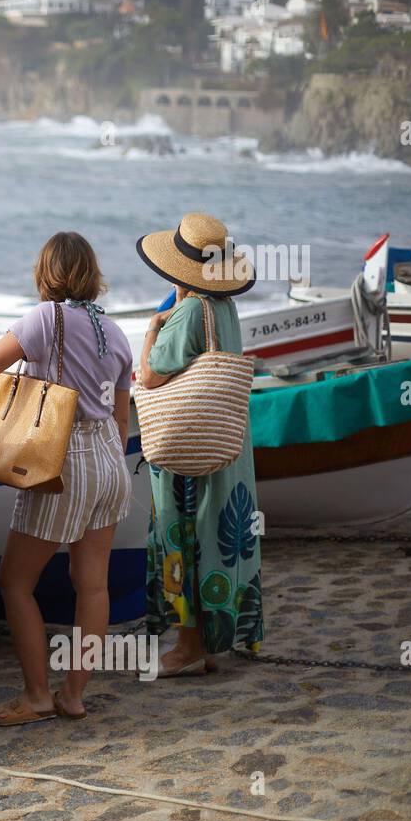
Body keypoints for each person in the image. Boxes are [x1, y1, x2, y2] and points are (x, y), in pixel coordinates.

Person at [0, 232, 133, 724]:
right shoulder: (117, 332)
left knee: (15, 581)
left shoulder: (47, 319)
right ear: (92, 274)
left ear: (45, 273)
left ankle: (37, 696)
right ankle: (73, 695)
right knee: (92, 585)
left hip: (63, 460)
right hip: (110, 458)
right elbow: (122, 418)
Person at [135, 213, 264, 676]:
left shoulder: (188, 311)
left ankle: (187, 646)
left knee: (185, 533)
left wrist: (152, 327)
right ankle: (210, 643)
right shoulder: (223, 308)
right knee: (217, 534)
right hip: (226, 439)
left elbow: (151, 374)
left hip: (189, 449)